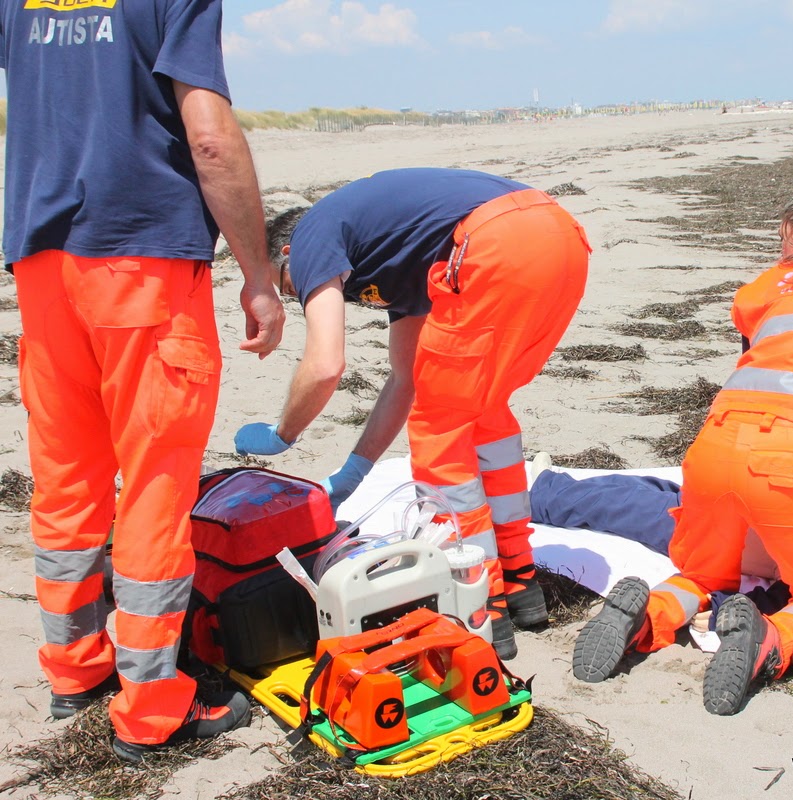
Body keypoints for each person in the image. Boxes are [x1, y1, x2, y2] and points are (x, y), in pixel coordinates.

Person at [2, 1, 286, 763]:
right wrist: (259, 275)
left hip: (42, 264)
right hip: (142, 263)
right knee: (156, 486)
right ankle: (153, 705)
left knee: (66, 481)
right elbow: (210, 138)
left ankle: (74, 669)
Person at [572, 190, 793, 714]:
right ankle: (770, 638)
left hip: (713, 444)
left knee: (703, 576)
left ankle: (650, 614)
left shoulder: (765, 290)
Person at [234, 168, 591, 660]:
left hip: (493, 243)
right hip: (560, 239)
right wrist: (354, 471)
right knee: (481, 411)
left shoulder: (312, 233)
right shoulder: (400, 260)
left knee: (440, 431)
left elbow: (324, 364)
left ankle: (481, 599)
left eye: (287, 288)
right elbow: (407, 378)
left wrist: (283, 433)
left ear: (289, 255)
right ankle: (521, 580)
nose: (297, 298)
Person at [529, 330, 793, 549]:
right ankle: (543, 491)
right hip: (786, 451)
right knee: (681, 514)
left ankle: (545, 489)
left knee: (671, 510)